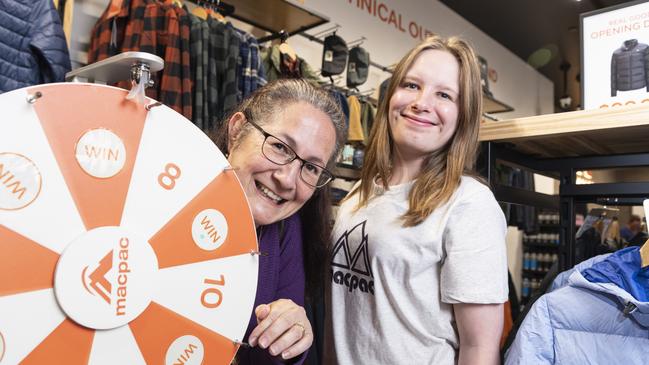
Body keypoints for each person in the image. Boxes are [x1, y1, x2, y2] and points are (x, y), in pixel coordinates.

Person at [326, 35, 508, 365]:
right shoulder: (360, 193)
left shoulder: (469, 204)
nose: (421, 102)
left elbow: (479, 348)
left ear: (462, 115)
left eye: (444, 94)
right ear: (391, 94)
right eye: (411, 85)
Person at [210, 79, 346, 364]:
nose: (286, 180)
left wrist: (292, 335)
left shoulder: (285, 228)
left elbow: (266, 359)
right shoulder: (167, 201)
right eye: (281, 147)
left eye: (310, 167)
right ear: (236, 131)